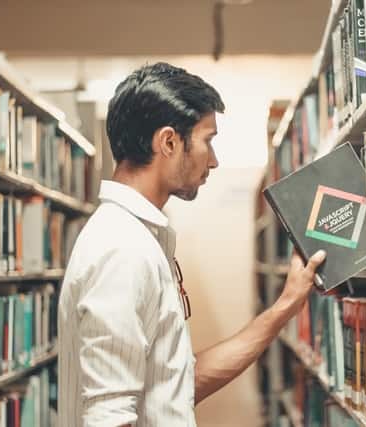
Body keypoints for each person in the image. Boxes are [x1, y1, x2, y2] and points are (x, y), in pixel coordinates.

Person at [57, 62, 326, 426]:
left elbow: (175, 385)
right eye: (208, 140)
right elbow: (109, 416)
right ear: (168, 142)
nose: (213, 161)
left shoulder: (137, 237)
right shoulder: (122, 248)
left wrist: (287, 304)